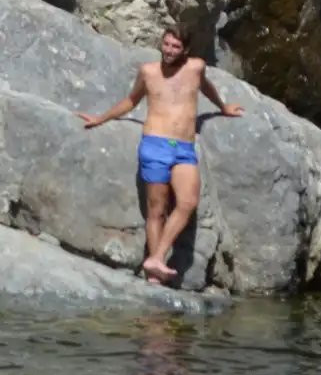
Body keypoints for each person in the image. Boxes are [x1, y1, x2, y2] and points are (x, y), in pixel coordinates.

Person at [78, 26, 242, 284]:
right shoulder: (149, 72)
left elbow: (206, 87)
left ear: (185, 49)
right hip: (154, 144)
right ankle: (155, 270)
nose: (169, 51)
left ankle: (156, 257)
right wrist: (100, 118)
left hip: (184, 148)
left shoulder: (196, 67)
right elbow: (131, 100)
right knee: (157, 210)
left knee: (187, 203)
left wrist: (223, 108)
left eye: (175, 46)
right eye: (166, 44)